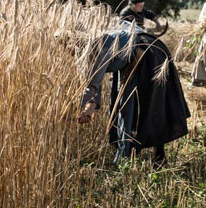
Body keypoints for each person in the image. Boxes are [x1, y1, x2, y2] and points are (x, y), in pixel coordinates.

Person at [78, 21, 190, 164]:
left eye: (66, 44)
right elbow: (93, 84)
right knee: (120, 102)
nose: (66, 49)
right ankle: (125, 152)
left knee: (148, 104)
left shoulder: (99, 47)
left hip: (148, 53)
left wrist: (75, 108)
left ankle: (147, 155)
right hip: (130, 58)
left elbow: (93, 84)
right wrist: (88, 109)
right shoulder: (85, 54)